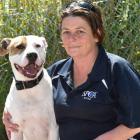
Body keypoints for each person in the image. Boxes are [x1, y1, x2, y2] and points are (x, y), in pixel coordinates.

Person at [2, 0, 140, 140]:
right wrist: (8, 114)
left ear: (97, 34)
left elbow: (136, 123)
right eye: (66, 32)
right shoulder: (55, 73)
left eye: (80, 31)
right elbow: (24, 89)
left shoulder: (117, 68)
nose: (72, 38)